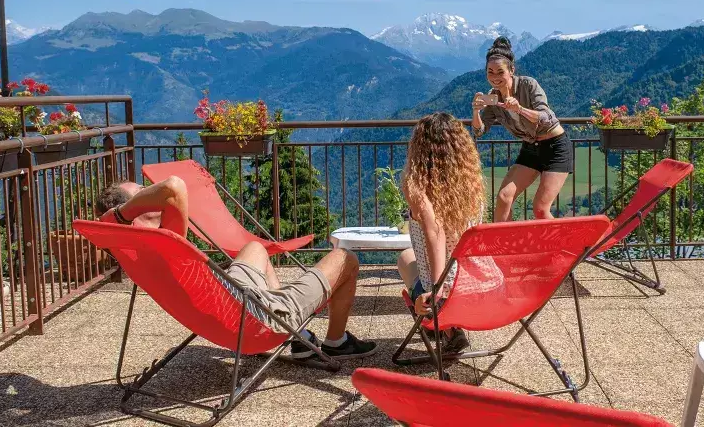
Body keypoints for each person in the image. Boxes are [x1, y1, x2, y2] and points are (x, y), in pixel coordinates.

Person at [94, 177, 377, 361]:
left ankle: (297, 336)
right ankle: (336, 342)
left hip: (226, 303)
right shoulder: (163, 241)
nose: (148, 191)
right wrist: (123, 212)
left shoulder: (131, 248)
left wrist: (118, 216)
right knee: (345, 258)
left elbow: (154, 198)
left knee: (255, 248)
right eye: (141, 192)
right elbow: (173, 187)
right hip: (252, 320)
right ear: (130, 210)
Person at [395, 112, 487, 354]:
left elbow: (435, 231)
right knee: (412, 257)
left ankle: (447, 329)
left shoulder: (417, 187)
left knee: (405, 258)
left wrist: (436, 291)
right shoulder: (470, 185)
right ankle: (444, 322)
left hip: (451, 296)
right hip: (483, 286)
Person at [471, 36, 573, 221]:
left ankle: (564, 240)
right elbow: (479, 131)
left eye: (500, 72)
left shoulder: (528, 85)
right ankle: (506, 240)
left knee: (540, 209)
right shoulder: (493, 98)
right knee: (504, 197)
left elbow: (547, 117)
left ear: (512, 70)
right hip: (531, 149)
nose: (494, 77)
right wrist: (476, 111)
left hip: (556, 147)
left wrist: (519, 109)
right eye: (490, 72)